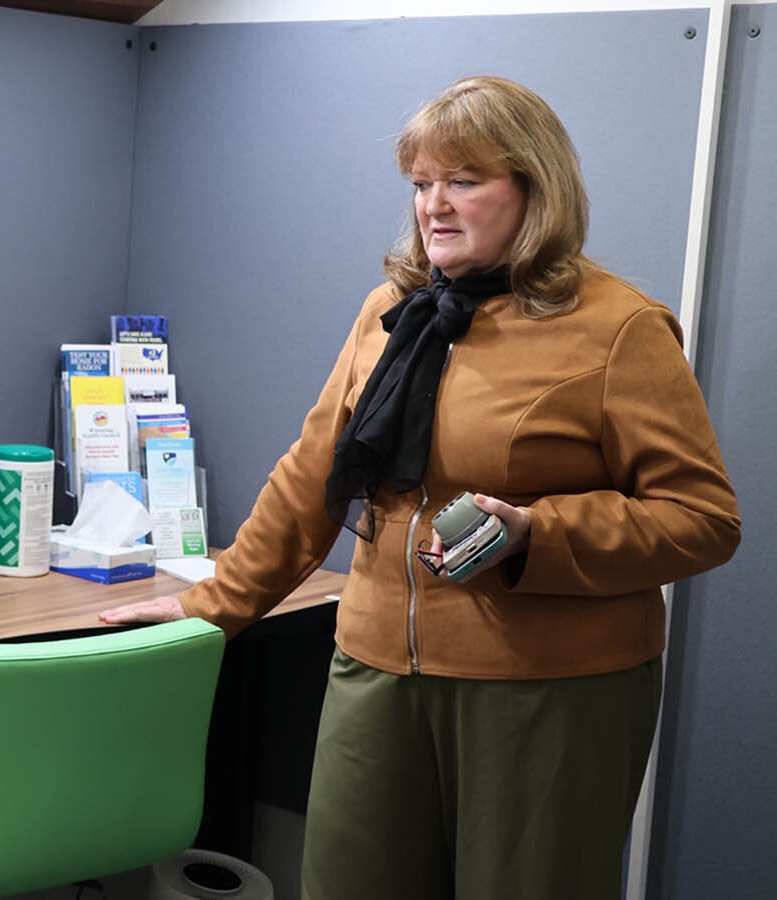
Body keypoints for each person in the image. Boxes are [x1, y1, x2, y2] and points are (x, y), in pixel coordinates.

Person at [100, 75, 740, 900]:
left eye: (464, 181)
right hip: (374, 669)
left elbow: (701, 519)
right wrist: (211, 606)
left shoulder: (618, 328)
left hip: (547, 689)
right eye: (421, 184)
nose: (434, 205)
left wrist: (535, 535)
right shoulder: (390, 313)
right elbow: (309, 481)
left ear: (534, 190)